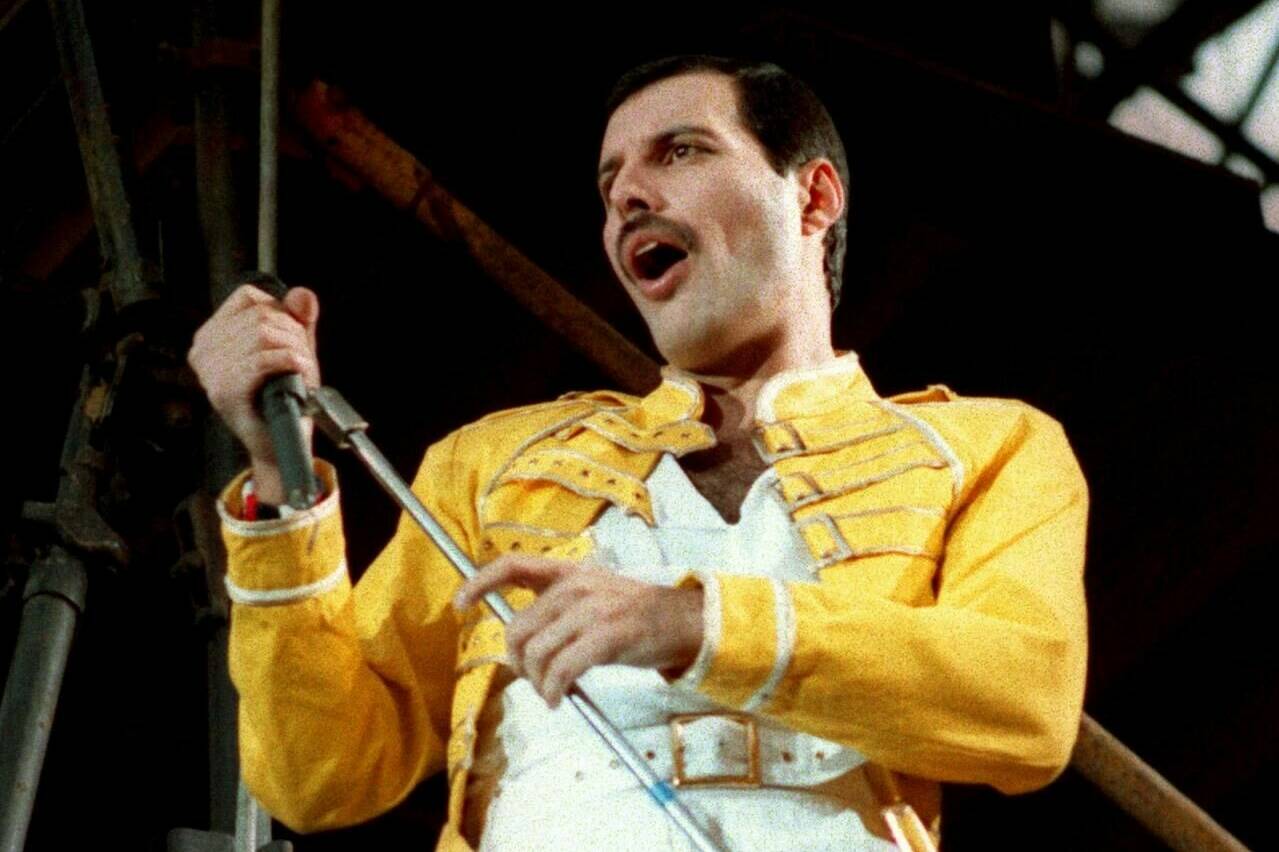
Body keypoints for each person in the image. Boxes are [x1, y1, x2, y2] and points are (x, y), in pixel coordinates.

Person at [188, 55, 1088, 851]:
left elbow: (1024, 703)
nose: (626, 195)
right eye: (609, 178)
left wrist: (693, 624)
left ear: (812, 198)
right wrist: (281, 481)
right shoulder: (493, 460)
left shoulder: (989, 444)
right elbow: (320, 773)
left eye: (680, 151)